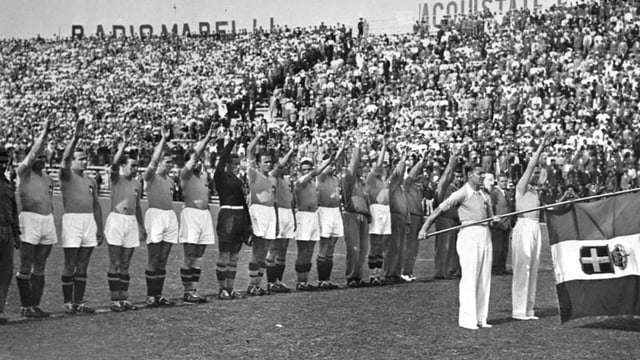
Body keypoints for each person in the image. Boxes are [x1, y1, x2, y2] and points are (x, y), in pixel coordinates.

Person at [419, 164, 495, 330]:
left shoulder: (484, 194)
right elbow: (439, 208)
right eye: (479, 174)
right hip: (469, 233)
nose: (482, 176)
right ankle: (468, 319)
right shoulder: (462, 192)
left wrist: (492, 219)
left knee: (484, 277)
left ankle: (481, 318)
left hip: (485, 233)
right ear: (469, 175)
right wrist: (425, 228)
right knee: (470, 276)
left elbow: (489, 216)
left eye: (483, 174)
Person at [59, 117, 104, 314]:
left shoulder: (91, 181)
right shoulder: (66, 175)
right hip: (72, 220)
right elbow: (65, 159)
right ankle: (68, 301)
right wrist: (75, 138)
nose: (84, 161)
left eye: (86, 158)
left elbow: (96, 205)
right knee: (70, 262)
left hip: (88, 222)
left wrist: (100, 228)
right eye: (80, 158)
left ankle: (79, 301)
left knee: (83, 264)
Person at [15, 116, 56, 318]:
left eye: (43, 157)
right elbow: (31, 154)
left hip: (47, 221)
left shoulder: (48, 179)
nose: (40, 159)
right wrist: (45, 133)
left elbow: (50, 201)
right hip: (29, 219)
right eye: (37, 157)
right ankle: (25, 305)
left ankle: (35, 305)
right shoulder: (23, 172)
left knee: (41, 264)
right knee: (26, 262)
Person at [511, 133, 550, 321]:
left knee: (533, 267)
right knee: (523, 267)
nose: (535, 175)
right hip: (523, 227)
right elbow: (531, 167)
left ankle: (529, 309)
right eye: (533, 173)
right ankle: (519, 310)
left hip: (535, 228)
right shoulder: (521, 187)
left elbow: (543, 174)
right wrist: (541, 146)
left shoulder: (535, 191)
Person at [105, 134, 145, 312]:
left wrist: (141, 226)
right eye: (132, 166)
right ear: (123, 166)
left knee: (126, 263)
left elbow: (137, 206)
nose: (136, 169)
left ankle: (124, 297)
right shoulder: (116, 178)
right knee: (115, 261)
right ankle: (115, 299)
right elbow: (113, 164)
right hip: (116, 220)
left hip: (130, 222)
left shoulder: (137, 183)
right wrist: (122, 146)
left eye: (137, 166)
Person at [179, 123, 217, 303]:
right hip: (191, 215)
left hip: (204, 216)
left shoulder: (203, 177)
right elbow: (195, 155)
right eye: (196, 160)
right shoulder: (185, 175)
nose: (199, 162)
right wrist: (208, 138)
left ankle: (194, 289)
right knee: (190, 255)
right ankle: (187, 291)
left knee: (200, 256)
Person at [142, 124, 177, 307]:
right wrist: (163, 139)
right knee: (154, 258)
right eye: (168, 162)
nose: (170, 165)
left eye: (172, 162)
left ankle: (158, 294)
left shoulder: (170, 180)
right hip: (155, 216)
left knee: (163, 259)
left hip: (169, 217)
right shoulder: (150, 176)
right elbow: (152, 162)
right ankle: (150, 295)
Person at [214, 129, 250, 300]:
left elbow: (244, 203)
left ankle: (230, 287)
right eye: (234, 164)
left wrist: (248, 224)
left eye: (238, 164)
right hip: (228, 216)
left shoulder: (239, 180)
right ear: (227, 164)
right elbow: (221, 160)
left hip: (240, 217)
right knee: (224, 254)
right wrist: (232, 141)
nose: (237, 167)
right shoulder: (221, 176)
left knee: (235, 256)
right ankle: (222, 289)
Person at [293, 153, 335, 291]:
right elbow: (316, 173)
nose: (307, 172)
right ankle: (300, 281)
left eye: (308, 169)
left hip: (313, 216)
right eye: (304, 169)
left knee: (310, 250)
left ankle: (306, 279)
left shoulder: (313, 184)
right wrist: (328, 160)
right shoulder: (299, 182)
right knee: (302, 250)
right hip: (303, 216)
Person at [246, 131, 276, 296]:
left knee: (265, 251)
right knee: (257, 250)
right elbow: (250, 151)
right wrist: (257, 135)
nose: (268, 164)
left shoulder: (271, 179)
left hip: (270, 213)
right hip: (258, 212)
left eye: (270, 162)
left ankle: (258, 284)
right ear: (258, 164)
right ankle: (252, 285)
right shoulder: (253, 174)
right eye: (265, 162)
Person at [266, 143, 297, 293]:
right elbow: (279, 166)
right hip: (277, 213)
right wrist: (291, 150)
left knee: (283, 250)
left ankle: (279, 281)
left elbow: (291, 201)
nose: (285, 166)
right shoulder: (273, 176)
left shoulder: (286, 180)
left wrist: (294, 219)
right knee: (273, 249)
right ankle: (270, 282)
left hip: (287, 215)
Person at [316, 142, 346, 290]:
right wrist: (338, 151)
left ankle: (327, 279)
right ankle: (322, 280)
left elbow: (336, 163)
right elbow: (331, 162)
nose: (333, 167)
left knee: (332, 246)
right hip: (325, 212)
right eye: (330, 165)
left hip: (335, 212)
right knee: (324, 246)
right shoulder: (321, 177)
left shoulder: (335, 179)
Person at [343, 131, 371, 287]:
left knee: (362, 249)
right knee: (353, 248)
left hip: (363, 217)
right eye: (359, 165)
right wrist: (357, 146)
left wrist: (370, 216)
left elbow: (367, 200)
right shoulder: (348, 180)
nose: (361, 167)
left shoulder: (362, 184)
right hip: (352, 215)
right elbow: (352, 165)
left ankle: (358, 276)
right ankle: (351, 277)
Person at [366, 138, 392, 285]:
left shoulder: (384, 181)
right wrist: (383, 148)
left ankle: (378, 273)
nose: (382, 167)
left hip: (385, 211)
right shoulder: (371, 178)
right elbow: (379, 164)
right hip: (375, 210)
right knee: (375, 243)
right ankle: (371, 275)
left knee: (381, 244)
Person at [433, 155, 461, 280]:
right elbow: (446, 177)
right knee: (443, 246)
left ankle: (450, 270)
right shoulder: (445, 187)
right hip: (444, 218)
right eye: (456, 176)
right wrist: (451, 162)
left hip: (455, 221)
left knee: (453, 247)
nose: (458, 179)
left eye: (460, 177)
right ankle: (440, 271)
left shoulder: (458, 189)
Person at [0, 149, 20, 324]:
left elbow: (13, 208)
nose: (1, 165)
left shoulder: (7, 183)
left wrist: (17, 233)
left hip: (7, 231)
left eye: (4, 162)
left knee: (5, 273)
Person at [400, 152, 427, 281]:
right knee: (408, 246)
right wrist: (420, 162)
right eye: (418, 175)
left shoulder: (417, 189)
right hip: (410, 218)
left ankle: (409, 271)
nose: (420, 177)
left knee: (414, 247)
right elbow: (411, 176)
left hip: (417, 218)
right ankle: (404, 271)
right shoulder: (407, 185)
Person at [384, 149, 408, 284]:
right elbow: (397, 174)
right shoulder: (390, 183)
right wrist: (402, 161)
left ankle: (396, 272)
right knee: (392, 247)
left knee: (399, 247)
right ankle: (389, 273)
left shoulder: (400, 188)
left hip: (401, 219)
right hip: (393, 217)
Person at [490, 174, 514, 275]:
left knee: (504, 247)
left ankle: (502, 267)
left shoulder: (508, 193)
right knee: (497, 247)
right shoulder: (494, 193)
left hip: (507, 223)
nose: (504, 183)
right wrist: (493, 219)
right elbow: (491, 207)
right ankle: (495, 268)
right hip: (498, 224)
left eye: (505, 181)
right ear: (498, 182)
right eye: (502, 181)